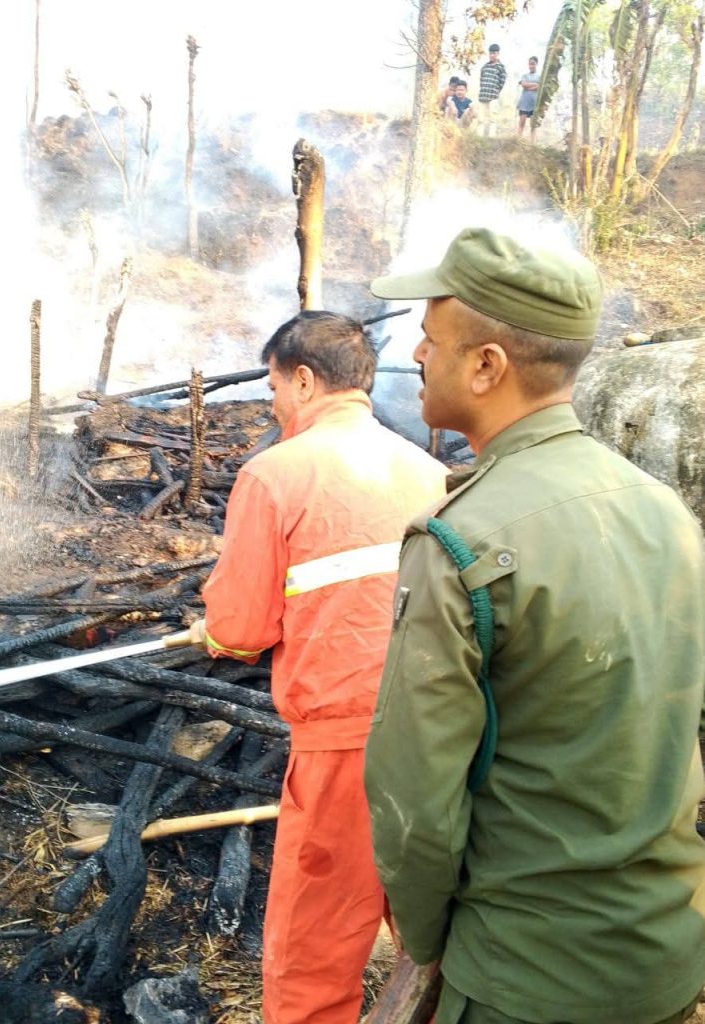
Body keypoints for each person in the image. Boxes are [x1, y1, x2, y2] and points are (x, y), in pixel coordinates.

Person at [365, 227, 705, 1024]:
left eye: (431, 337)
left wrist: (429, 939)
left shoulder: (459, 542)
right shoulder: (665, 512)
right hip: (665, 953)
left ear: (487, 366)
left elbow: (415, 800)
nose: (416, 353)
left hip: (524, 978)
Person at [194, 311, 448, 1024]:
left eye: (274, 386)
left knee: (314, 938)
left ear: (303, 380)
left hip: (343, 740)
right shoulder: (430, 471)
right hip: (438, 727)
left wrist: (211, 630)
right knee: (431, 924)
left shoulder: (275, 474)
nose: (274, 403)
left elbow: (242, 629)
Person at [476, 44, 506, 137]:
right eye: (490, 53)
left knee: (493, 118)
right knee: (481, 118)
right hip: (483, 96)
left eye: (494, 53)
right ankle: (479, 137)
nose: (492, 55)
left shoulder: (500, 67)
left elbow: (502, 82)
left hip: (493, 96)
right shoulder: (485, 67)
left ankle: (491, 137)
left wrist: (495, 91)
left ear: (498, 54)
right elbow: (481, 79)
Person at [517, 56, 540, 140]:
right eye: (530, 64)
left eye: (533, 64)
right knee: (521, 124)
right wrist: (535, 84)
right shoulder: (525, 75)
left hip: (534, 103)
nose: (531, 66)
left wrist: (529, 86)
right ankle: (518, 141)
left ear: (536, 64)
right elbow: (524, 84)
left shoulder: (540, 76)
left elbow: (540, 87)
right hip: (524, 103)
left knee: (533, 126)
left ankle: (532, 144)